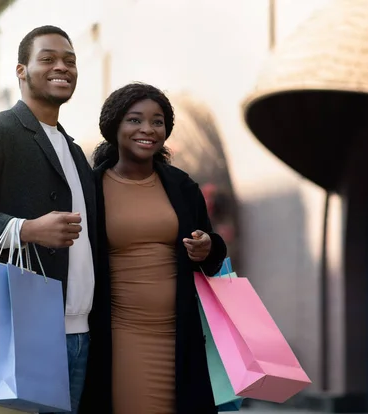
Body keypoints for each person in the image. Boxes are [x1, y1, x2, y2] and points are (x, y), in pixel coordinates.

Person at [0, 25, 96, 414]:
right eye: (48, 59)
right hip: (22, 330)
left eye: (70, 61)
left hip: (82, 334)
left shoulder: (75, 152)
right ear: (21, 71)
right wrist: (25, 229)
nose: (62, 67)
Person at [80, 83, 227, 414]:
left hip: (182, 338)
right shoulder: (90, 189)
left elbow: (214, 254)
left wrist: (207, 247)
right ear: (114, 126)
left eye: (157, 121)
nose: (147, 129)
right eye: (135, 120)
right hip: (121, 336)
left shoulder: (182, 186)